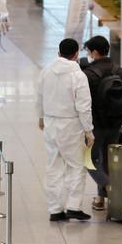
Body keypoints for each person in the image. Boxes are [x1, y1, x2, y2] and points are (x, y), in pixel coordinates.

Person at [36, 38, 95, 221]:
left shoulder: (46, 71)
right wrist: (89, 130)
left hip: (51, 123)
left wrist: (41, 116)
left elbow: (39, 96)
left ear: (59, 53)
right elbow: (84, 106)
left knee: (53, 166)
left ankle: (55, 209)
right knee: (77, 165)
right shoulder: (78, 76)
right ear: (77, 54)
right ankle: (73, 206)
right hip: (71, 125)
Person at [82, 35, 122, 210]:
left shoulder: (88, 74)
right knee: (108, 160)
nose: (88, 55)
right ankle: (100, 199)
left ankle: (108, 187)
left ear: (95, 52)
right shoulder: (120, 71)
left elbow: (84, 103)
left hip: (95, 125)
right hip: (115, 123)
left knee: (88, 159)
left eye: (89, 52)